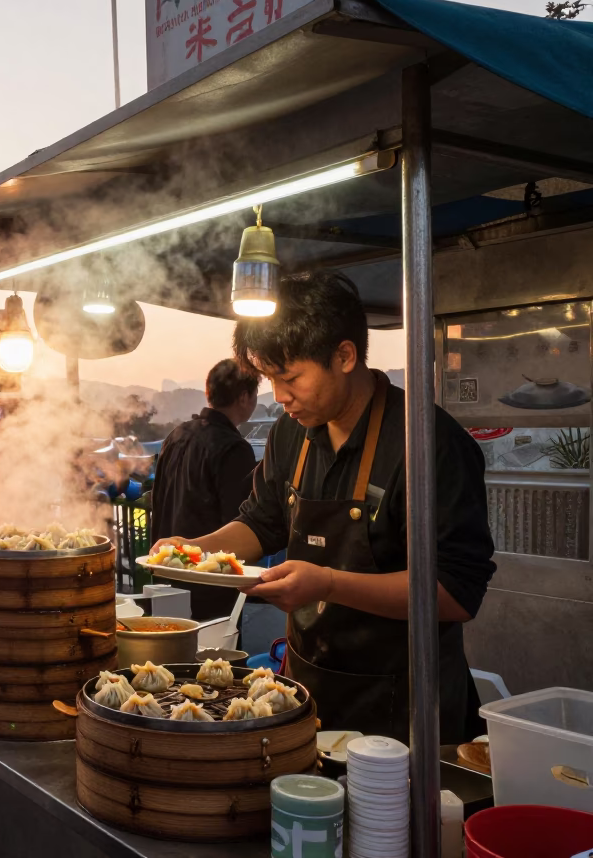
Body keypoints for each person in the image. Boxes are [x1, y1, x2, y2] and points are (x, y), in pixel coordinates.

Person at [151, 271, 495, 744]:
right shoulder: (290, 433)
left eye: (290, 377)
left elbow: (455, 592)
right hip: (307, 687)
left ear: (345, 356)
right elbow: (262, 520)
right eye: (270, 379)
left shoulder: (428, 444)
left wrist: (328, 584)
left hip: (404, 704)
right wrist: (191, 551)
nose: (280, 396)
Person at [151, 359, 259, 542]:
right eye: (255, 394)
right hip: (204, 566)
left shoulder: (176, 435)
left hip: (165, 560)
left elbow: (159, 502)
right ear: (243, 397)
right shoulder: (233, 448)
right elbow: (239, 525)